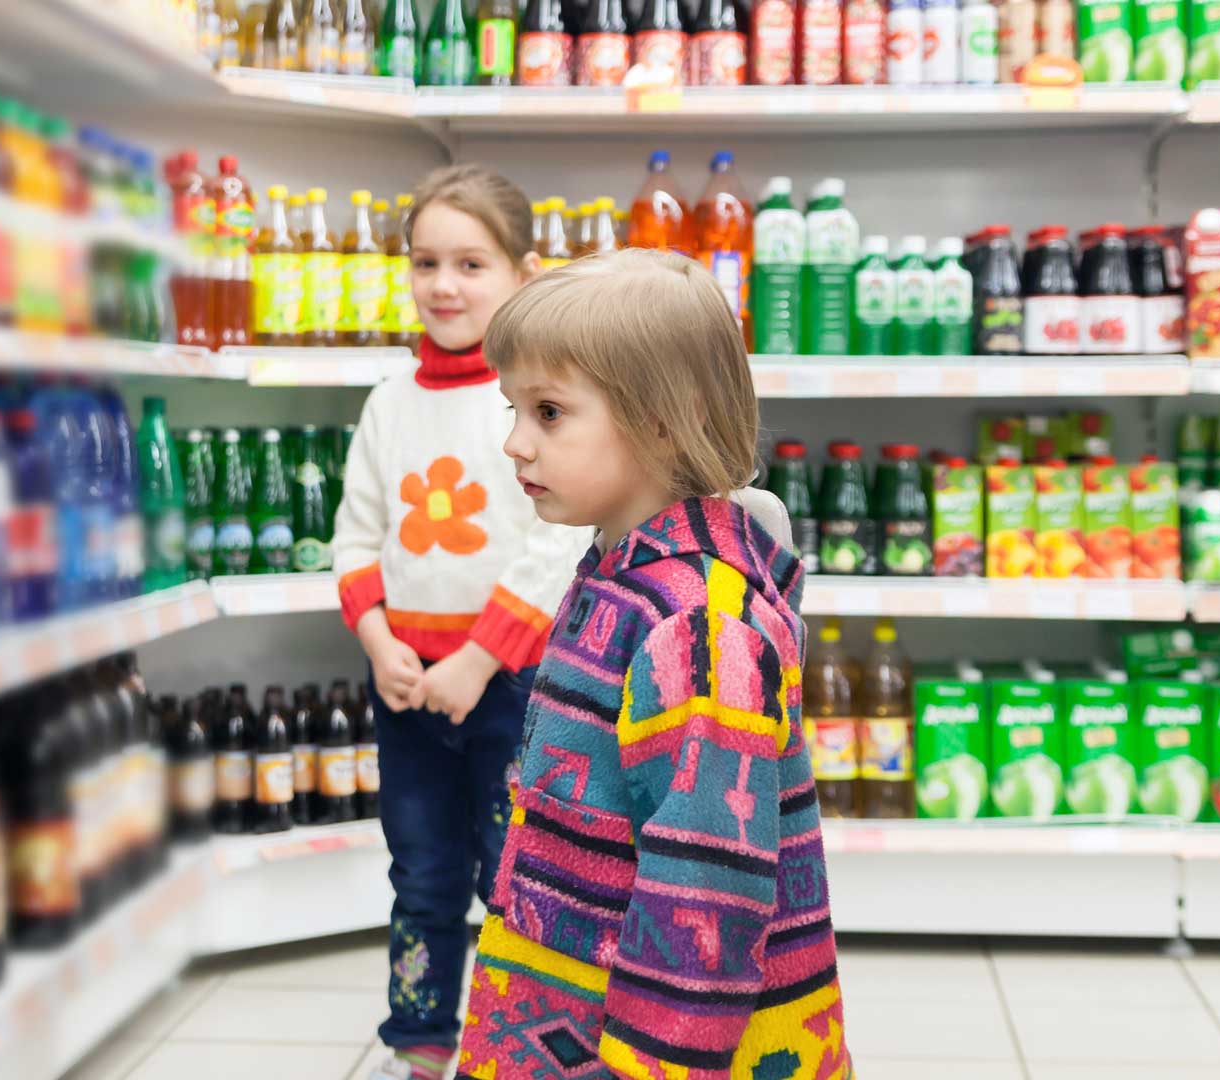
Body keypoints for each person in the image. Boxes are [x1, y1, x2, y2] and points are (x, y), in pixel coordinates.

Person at [457, 250, 852, 1079]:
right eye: (513, 408)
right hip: (568, 1021)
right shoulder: (622, 568)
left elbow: (706, 896)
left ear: (666, 420)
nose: (514, 443)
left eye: (550, 412)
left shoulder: (696, 629)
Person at [332, 164, 593, 1080]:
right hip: (405, 686)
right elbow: (355, 538)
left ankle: (519, 1051)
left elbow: (553, 544)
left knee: (515, 878)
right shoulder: (387, 404)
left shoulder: (526, 403)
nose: (443, 284)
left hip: (511, 689)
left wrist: (479, 662)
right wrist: (380, 646)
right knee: (422, 878)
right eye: (425, 261)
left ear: (522, 274)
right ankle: (420, 1050)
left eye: (471, 263)